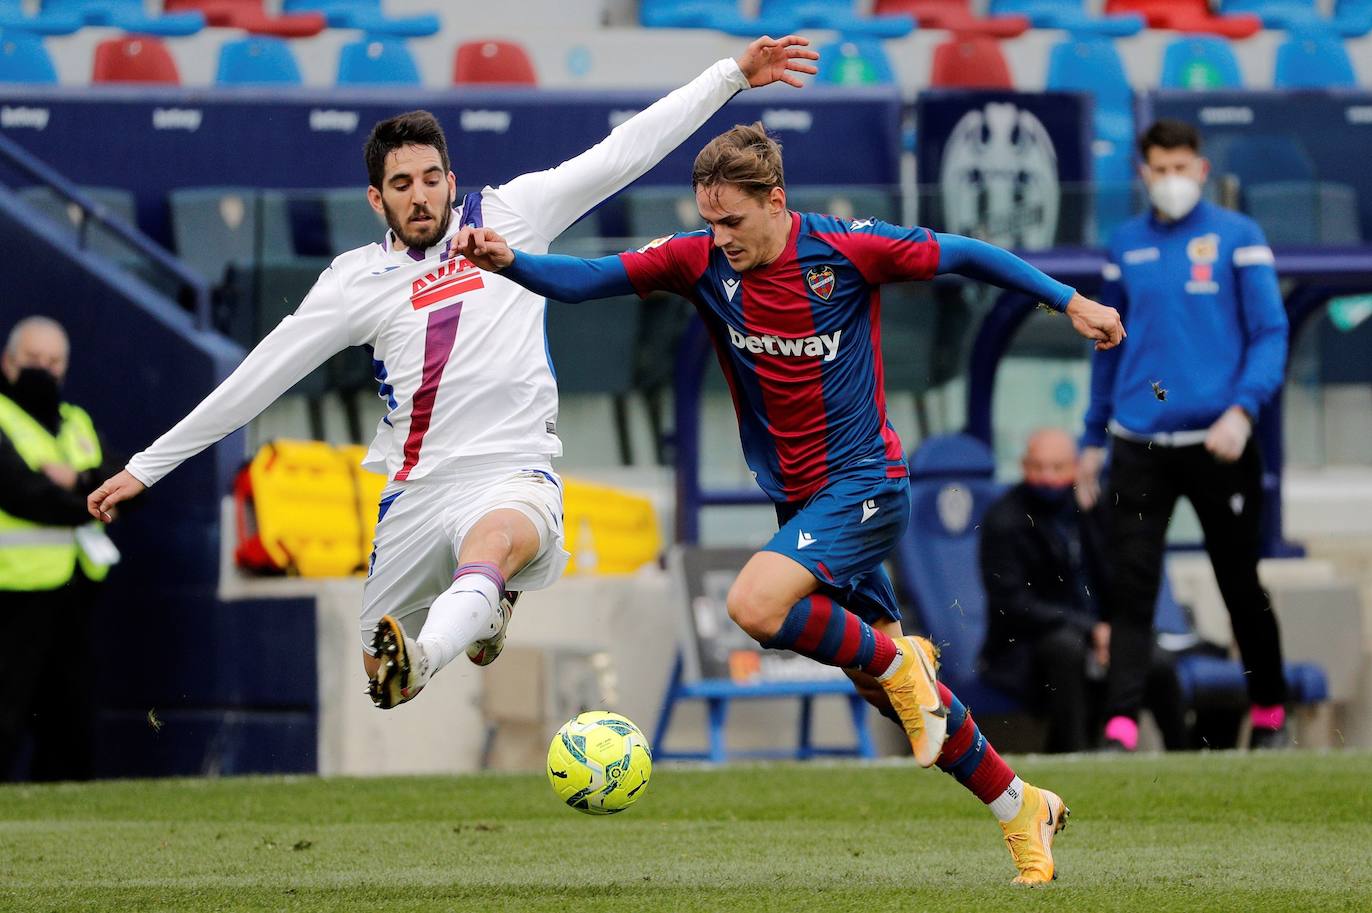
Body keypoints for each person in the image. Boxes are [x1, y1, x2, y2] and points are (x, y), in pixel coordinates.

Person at [455, 122, 1125, 884]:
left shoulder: (846, 250)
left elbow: (968, 253)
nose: (721, 237)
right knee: (899, 702)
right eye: (710, 220)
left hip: (868, 482)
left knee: (755, 604)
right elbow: (588, 278)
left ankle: (903, 664)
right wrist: (513, 263)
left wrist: (1067, 300)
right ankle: (1021, 804)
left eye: (733, 220)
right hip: (804, 508)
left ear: (776, 201)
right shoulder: (700, 261)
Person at [86, 37, 821, 712]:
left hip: (512, 471)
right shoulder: (356, 282)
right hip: (416, 488)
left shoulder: (513, 215)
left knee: (490, 546)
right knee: (383, 684)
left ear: (451, 178)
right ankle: (478, 611)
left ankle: (457, 622)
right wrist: (149, 466)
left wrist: (731, 76)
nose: (420, 194)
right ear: (377, 199)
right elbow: (258, 377)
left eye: (431, 177)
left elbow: (623, 151)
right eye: (401, 183)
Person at [1076, 119, 1291, 751]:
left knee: (1238, 580)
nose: (1171, 181)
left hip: (1219, 441)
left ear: (1201, 168)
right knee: (1132, 587)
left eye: (1181, 168)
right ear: (1143, 175)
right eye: (1159, 170)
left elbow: (1270, 333)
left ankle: (1271, 711)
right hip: (1137, 442)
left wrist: (1243, 410)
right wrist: (1092, 437)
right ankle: (1121, 725)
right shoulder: (1125, 244)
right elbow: (1107, 347)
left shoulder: (1239, 237)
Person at [979, 428, 1188, 753]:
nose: (1047, 478)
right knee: (1066, 649)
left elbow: (1123, 582)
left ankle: (1184, 757)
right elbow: (1013, 603)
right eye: (1038, 467)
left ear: (1076, 467)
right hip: (1028, 647)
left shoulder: (1092, 509)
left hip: (1100, 636)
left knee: (1157, 662)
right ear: (1023, 466)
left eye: (1057, 468)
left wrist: (1115, 631)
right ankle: (1077, 756)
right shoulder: (1004, 519)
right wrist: (1091, 630)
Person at [1, 317, 123, 781]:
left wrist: (76, 482)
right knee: (5, 713)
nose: (44, 369)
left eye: (53, 362)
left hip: (74, 592)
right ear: (8, 363)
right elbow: (22, 492)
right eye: (33, 360)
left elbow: (127, 482)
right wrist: (93, 495)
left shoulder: (75, 421)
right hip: (11, 594)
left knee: (70, 719)